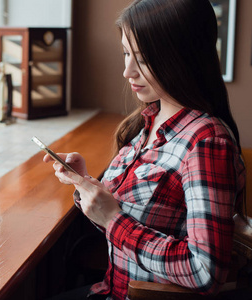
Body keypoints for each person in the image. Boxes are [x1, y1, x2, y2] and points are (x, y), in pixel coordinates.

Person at [44, 0, 246, 299]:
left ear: (183, 58)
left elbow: (206, 273)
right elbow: (131, 225)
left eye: (143, 58)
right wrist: (85, 184)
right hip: (109, 289)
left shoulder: (205, 143)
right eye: (126, 53)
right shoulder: (148, 120)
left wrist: (113, 219)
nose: (127, 71)